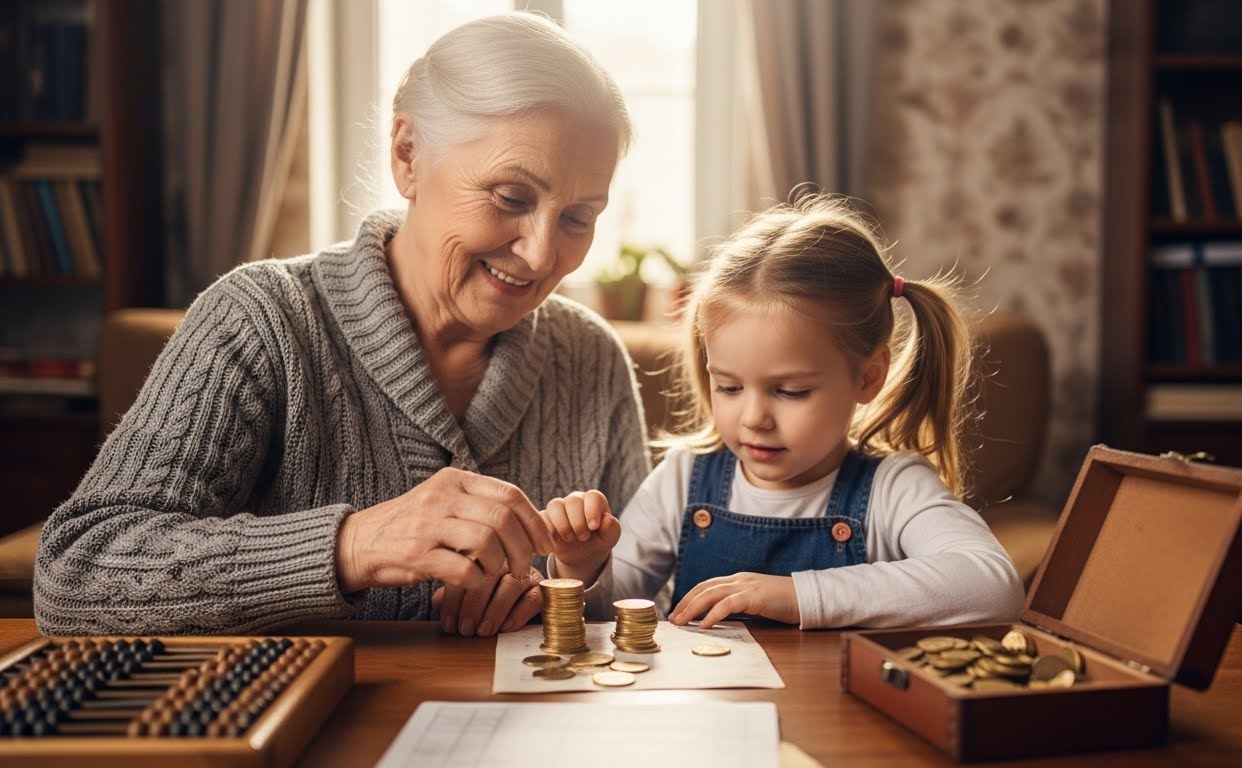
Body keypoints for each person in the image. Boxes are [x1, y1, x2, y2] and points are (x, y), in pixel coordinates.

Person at [33, 12, 650, 637]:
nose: (543, 254)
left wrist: (572, 587)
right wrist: (354, 546)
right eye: (511, 198)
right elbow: (75, 575)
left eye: (578, 217)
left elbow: (652, 584)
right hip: (286, 729)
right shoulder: (260, 320)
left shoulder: (590, 357)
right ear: (407, 156)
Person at [542, 193, 1025, 629]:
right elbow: (609, 610)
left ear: (868, 376)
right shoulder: (683, 479)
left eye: (791, 391)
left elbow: (992, 586)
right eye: (729, 386)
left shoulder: (893, 487)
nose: (754, 417)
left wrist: (797, 595)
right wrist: (580, 568)